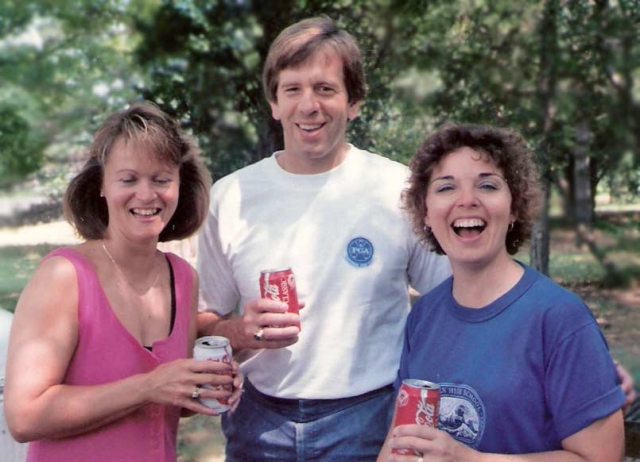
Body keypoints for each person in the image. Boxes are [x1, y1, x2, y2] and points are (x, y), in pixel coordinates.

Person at [195, 16, 452, 461]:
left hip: (369, 420)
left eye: (325, 89)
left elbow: (458, 301)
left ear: (354, 103)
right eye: (292, 89)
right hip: (258, 424)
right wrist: (239, 331)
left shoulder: (398, 189)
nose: (308, 105)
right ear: (274, 103)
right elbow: (204, 321)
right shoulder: (231, 195)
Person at [4, 101, 243, 462]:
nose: (146, 195)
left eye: (161, 179)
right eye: (128, 179)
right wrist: (149, 386)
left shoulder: (182, 278)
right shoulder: (64, 277)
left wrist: (204, 387)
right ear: (101, 185)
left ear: (180, 185)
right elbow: (24, 415)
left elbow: (164, 405)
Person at [378, 123, 626, 460]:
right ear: (425, 213)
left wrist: (470, 459)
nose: (467, 200)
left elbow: (600, 458)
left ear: (514, 209)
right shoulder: (423, 317)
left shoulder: (560, 319)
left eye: (487, 185)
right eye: (446, 187)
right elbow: (399, 440)